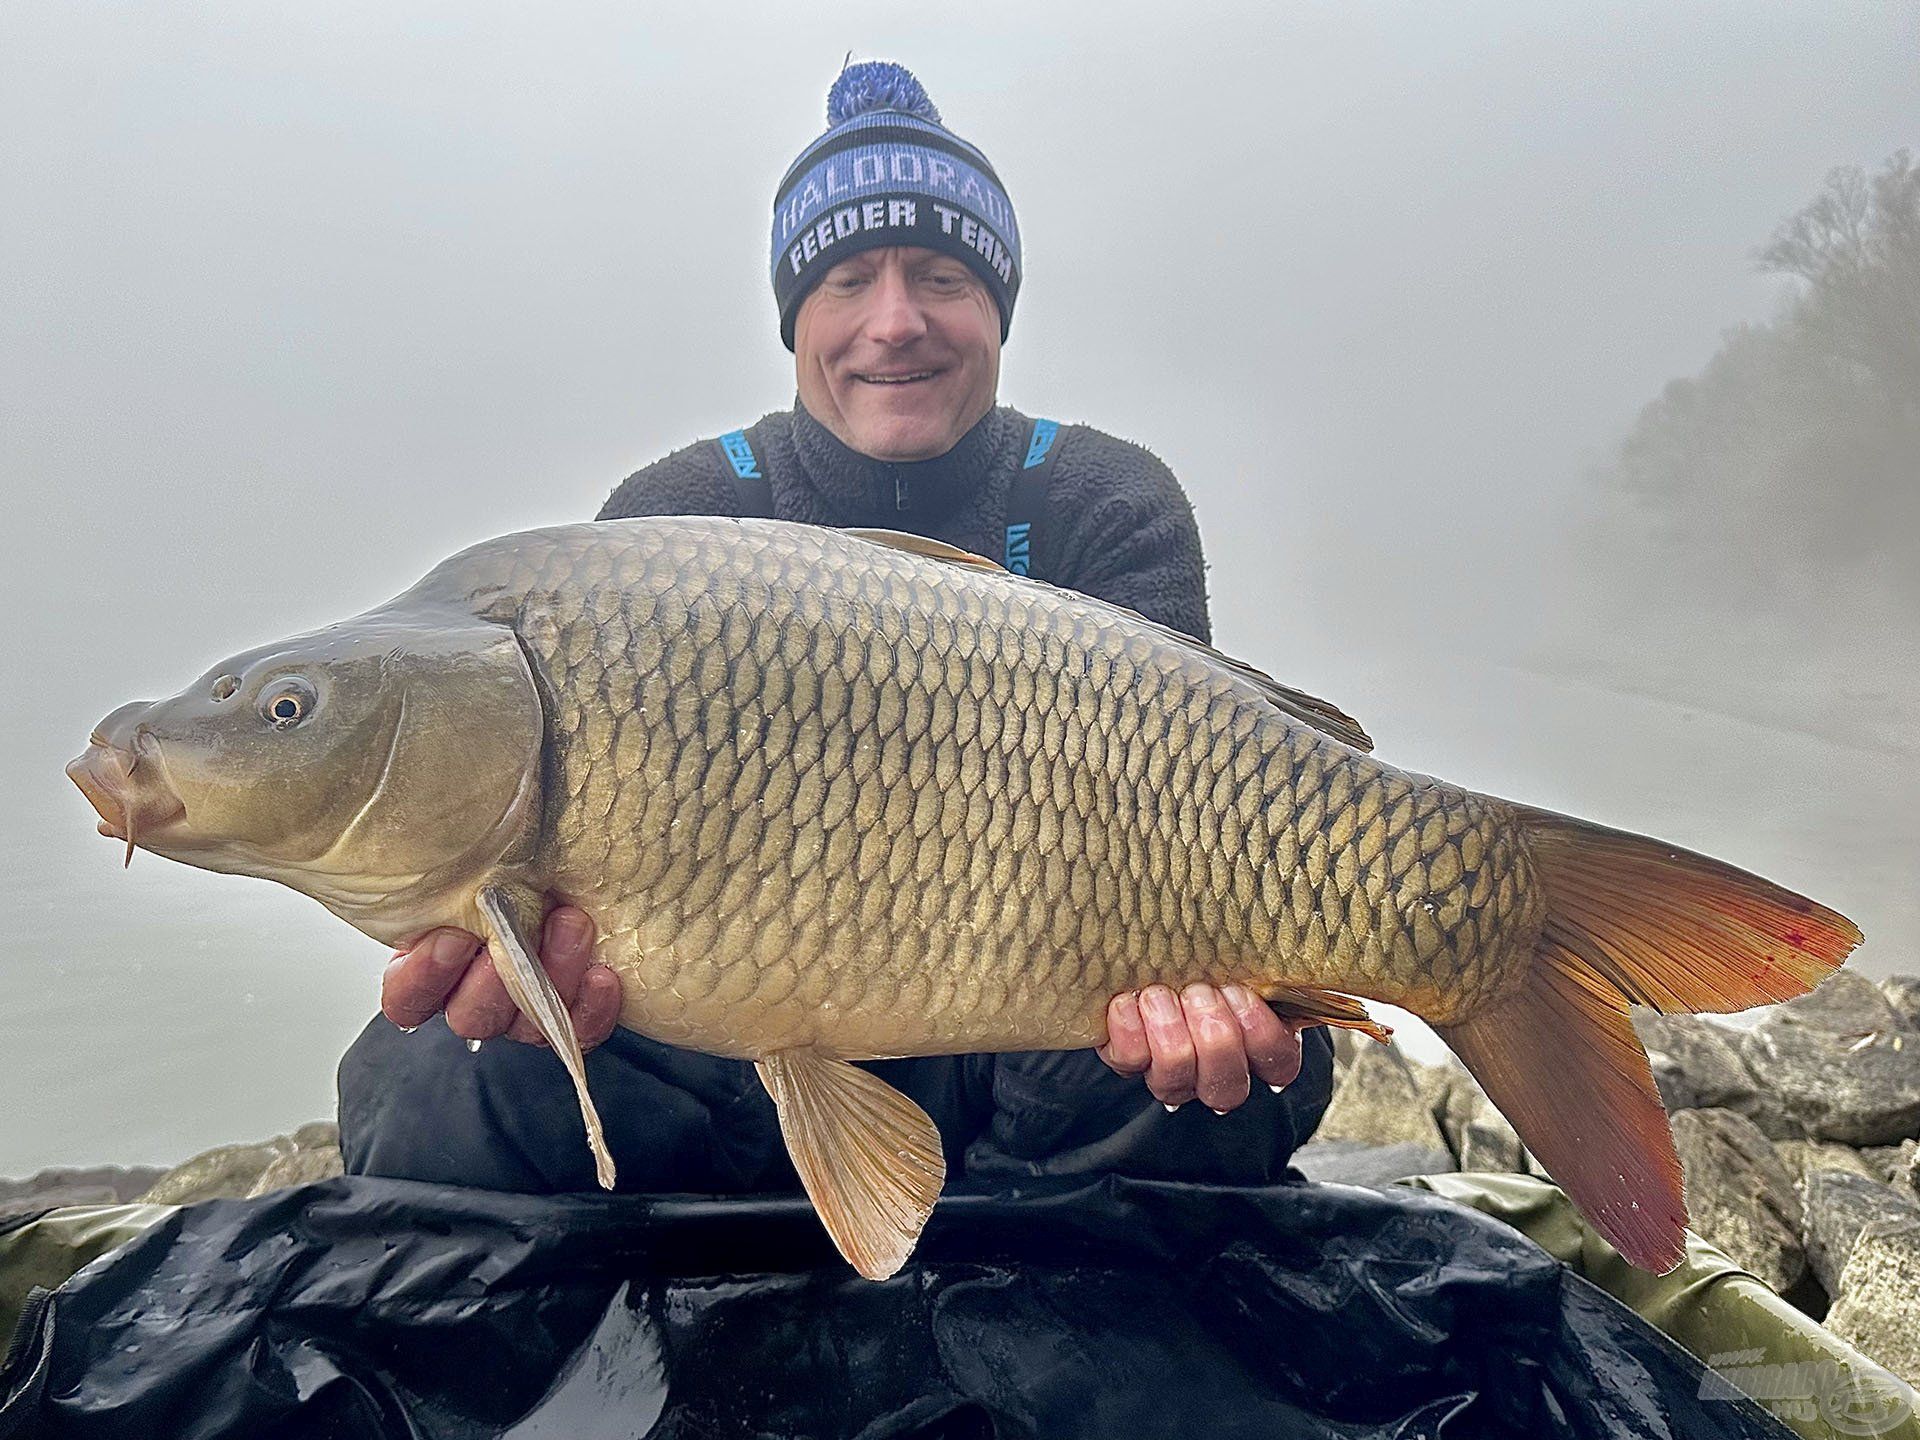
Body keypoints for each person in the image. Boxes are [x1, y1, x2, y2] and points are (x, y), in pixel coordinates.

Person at [337, 61, 1334, 1201]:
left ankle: (1022, 1307)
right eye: (849, 277)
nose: (894, 322)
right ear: (795, 318)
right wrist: (523, 978)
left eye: (942, 276)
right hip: (736, 1037)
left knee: (1245, 1065)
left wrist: (1197, 1004)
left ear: (997, 305)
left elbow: (1214, 806)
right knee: (438, 1073)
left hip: (1043, 1033)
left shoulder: (1102, 498)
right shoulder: (679, 515)